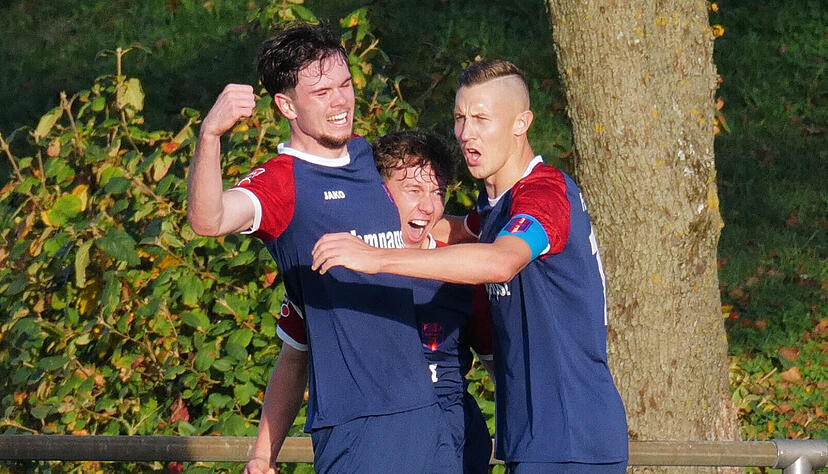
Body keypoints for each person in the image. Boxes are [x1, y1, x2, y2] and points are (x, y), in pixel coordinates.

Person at [311, 60, 629, 473]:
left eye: (481, 119)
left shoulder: (545, 193)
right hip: (532, 441)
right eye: (460, 118)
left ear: (522, 123)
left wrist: (373, 258)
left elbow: (499, 262)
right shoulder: (496, 212)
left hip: (574, 438)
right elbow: (449, 226)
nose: (465, 133)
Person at [187, 22, 457, 474]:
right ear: (286, 105)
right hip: (357, 427)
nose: (341, 101)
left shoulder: (377, 160)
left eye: (345, 85)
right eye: (322, 92)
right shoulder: (282, 182)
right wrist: (210, 135)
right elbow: (207, 220)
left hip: (428, 416)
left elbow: (437, 225)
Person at [277, 130, 496, 473]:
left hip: (453, 444)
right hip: (366, 445)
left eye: (438, 193)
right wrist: (263, 454)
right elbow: (292, 362)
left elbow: (502, 369)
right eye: (413, 190)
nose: (428, 205)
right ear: (378, 193)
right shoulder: (335, 265)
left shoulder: (463, 272)